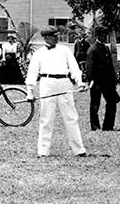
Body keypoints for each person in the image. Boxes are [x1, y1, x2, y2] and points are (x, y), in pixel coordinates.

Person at [25, 26, 87, 157]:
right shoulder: (39, 53)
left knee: (71, 117)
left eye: (57, 35)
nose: (57, 38)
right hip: (47, 84)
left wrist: (79, 82)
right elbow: (32, 73)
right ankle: (43, 151)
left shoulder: (65, 50)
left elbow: (74, 68)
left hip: (64, 83)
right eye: (54, 36)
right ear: (46, 38)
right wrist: (30, 91)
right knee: (46, 118)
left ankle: (79, 149)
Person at [86, 26, 120, 131]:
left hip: (107, 82)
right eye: (102, 35)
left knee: (112, 102)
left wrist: (114, 80)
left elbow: (110, 66)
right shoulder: (93, 49)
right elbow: (90, 67)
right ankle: (95, 126)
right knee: (95, 105)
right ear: (97, 36)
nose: (104, 37)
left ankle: (108, 126)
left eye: (105, 35)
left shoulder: (106, 48)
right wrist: (92, 80)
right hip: (97, 82)